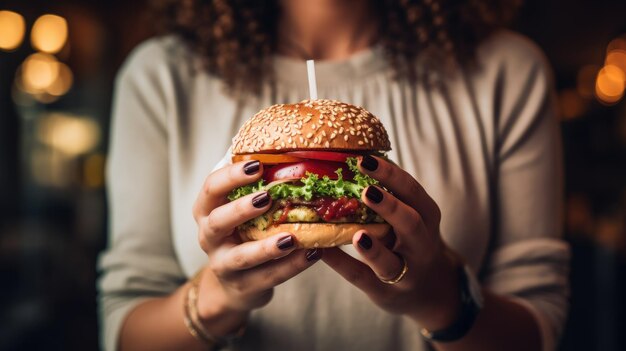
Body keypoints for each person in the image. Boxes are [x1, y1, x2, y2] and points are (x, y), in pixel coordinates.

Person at [98, 0, 570, 350]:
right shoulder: (161, 75)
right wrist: (219, 297)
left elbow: (541, 325)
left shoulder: (506, 70)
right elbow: (124, 328)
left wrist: (440, 297)